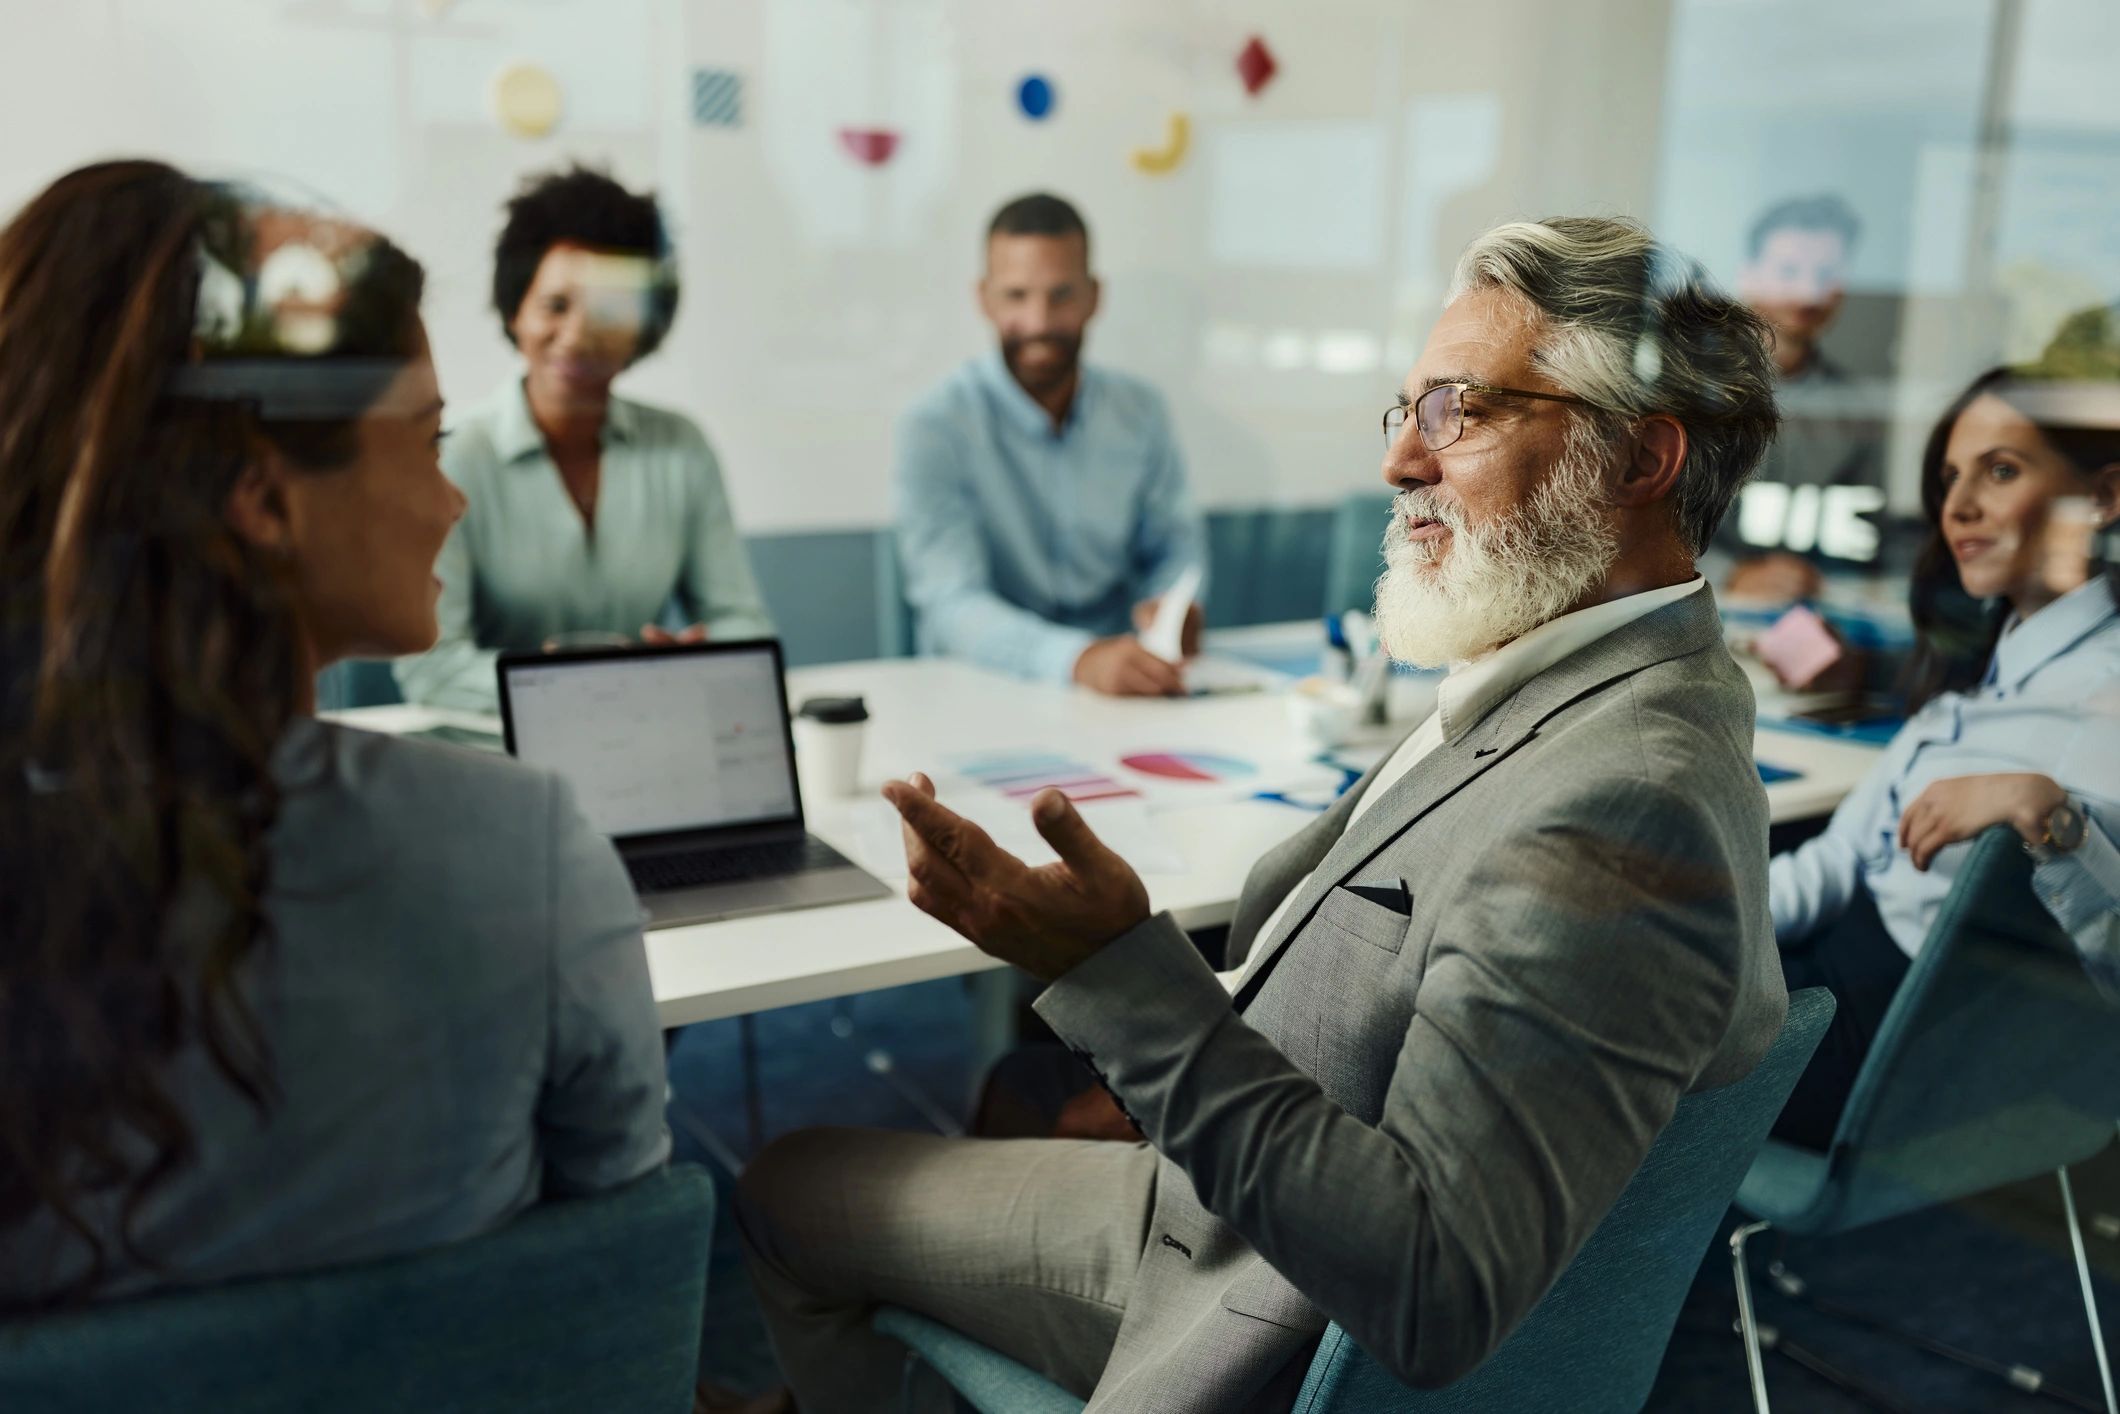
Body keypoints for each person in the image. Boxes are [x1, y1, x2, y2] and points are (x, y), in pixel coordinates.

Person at [738, 216, 1788, 1411]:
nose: (1400, 461)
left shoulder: (1621, 806)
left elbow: (1433, 1287)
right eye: (1404, 412)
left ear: (1638, 459)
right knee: (839, 1166)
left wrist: (1118, 981)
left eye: (1457, 409)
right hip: (1233, 1187)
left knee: (783, 1190)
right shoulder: (1587, 678)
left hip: (1247, 1294)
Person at [0, 162, 669, 1309]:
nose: (451, 498)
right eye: (423, 440)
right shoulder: (520, 847)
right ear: (266, 501)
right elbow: (622, 1242)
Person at [1766, 365, 2120, 1150]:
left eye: (2002, 470)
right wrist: (1702, 932)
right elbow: (1838, 862)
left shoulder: (2106, 697)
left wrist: (2052, 821)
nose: (1958, 505)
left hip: (1888, 1060)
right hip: (1829, 989)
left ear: (2101, 498)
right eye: (1952, 476)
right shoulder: (1986, 671)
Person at [394, 165, 771, 711]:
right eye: (556, 305)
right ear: (516, 312)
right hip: (495, 743)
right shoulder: (456, 457)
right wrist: (583, 687)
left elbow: (744, 625)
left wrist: (692, 661)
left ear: (643, 325)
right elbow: (433, 668)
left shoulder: (682, 448)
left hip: (644, 734)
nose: (578, 335)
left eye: (608, 309)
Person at [892, 192, 1207, 696]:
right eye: (1017, 295)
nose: (1039, 322)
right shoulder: (935, 427)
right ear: (984, 299)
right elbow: (951, 604)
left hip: (1124, 687)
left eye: (1061, 295)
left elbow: (1175, 549)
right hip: (979, 690)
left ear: (1093, 298)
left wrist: (1172, 610)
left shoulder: (1142, 412)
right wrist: (1078, 660)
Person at [1724, 193, 1885, 600]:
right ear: (1749, 276)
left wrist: (1823, 584)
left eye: (1825, 273)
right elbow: (1640, 521)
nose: (1808, 290)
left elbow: (1868, 539)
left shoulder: (1856, 409)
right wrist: (1729, 575)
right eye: (1789, 270)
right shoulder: (1690, 389)